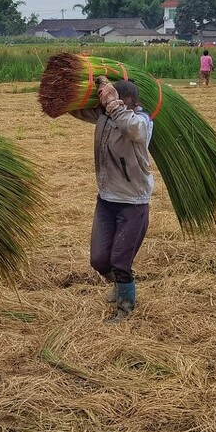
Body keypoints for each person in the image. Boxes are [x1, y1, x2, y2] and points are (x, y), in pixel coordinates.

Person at [69, 77, 154, 323]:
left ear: (130, 101)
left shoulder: (142, 121)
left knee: (120, 259)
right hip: (106, 199)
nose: (107, 105)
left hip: (133, 202)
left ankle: (126, 304)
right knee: (98, 260)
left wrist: (114, 104)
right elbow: (79, 111)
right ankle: (118, 282)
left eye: (115, 100)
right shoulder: (104, 117)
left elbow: (132, 129)